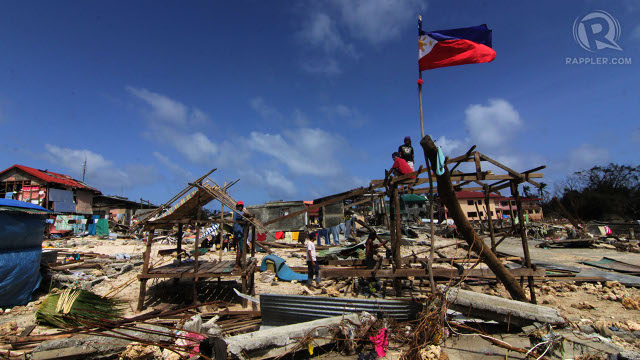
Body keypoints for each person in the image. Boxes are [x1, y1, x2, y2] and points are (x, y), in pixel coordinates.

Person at [233, 201, 252, 268]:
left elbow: (243, 219)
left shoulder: (239, 214)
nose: (240, 207)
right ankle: (236, 264)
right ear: (237, 207)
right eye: (239, 206)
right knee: (240, 249)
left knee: (242, 249)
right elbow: (243, 214)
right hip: (239, 234)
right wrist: (248, 215)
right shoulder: (236, 212)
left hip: (241, 233)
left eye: (241, 206)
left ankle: (239, 263)